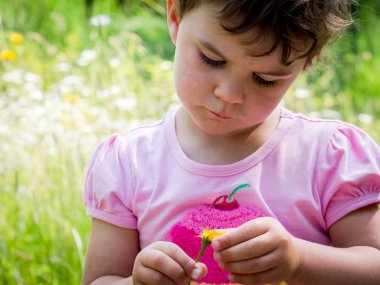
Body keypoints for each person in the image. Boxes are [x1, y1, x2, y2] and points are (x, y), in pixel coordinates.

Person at [81, 0, 380, 284]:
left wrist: (299, 261)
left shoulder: (328, 157)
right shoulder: (129, 163)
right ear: (174, 18)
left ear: (307, 60)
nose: (229, 94)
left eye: (265, 79)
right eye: (212, 59)